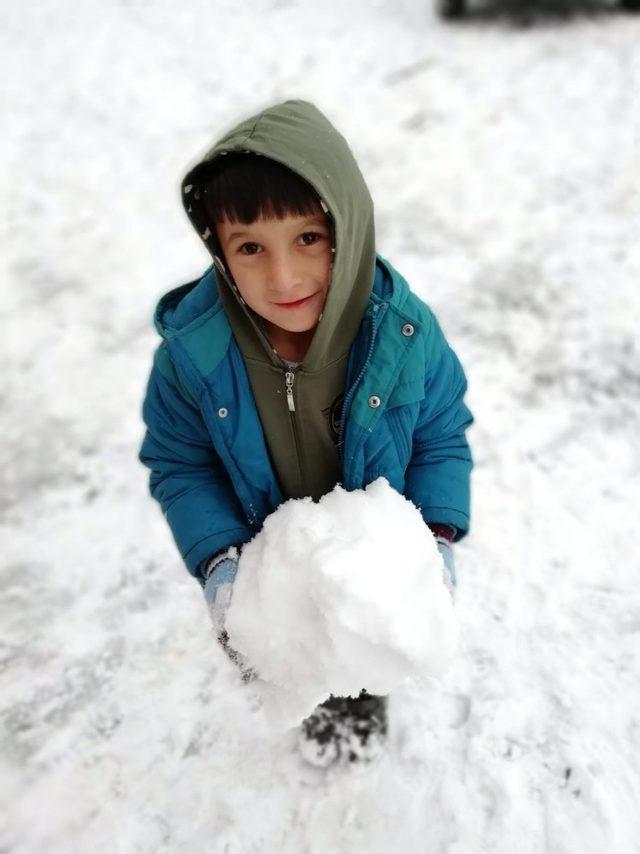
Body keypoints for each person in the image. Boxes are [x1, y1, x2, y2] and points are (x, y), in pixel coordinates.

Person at [138, 100, 473, 764]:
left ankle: (360, 709)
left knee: (359, 655)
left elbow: (441, 434)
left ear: (344, 230)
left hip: (369, 568)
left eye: (308, 239)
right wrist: (218, 561)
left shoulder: (402, 336)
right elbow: (182, 464)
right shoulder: (193, 356)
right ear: (219, 248)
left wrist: (433, 532)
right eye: (250, 247)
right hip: (267, 571)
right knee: (291, 664)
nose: (283, 277)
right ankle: (312, 712)